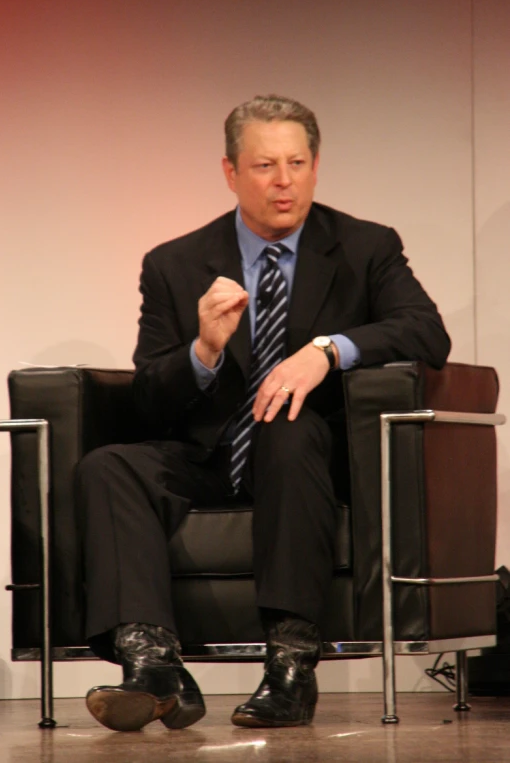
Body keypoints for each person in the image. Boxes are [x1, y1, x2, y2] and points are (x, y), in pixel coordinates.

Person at [77, 94, 451, 733]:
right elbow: (148, 396)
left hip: (307, 458)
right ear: (230, 172)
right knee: (109, 465)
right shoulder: (174, 263)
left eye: (297, 163)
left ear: (315, 166)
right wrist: (203, 350)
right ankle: (155, 666)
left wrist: (329, 350)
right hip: (210, 454)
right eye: (264, 166)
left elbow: (425, 332)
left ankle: (289, 667)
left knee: (287, 425)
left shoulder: (365, 246)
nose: (284, 182)